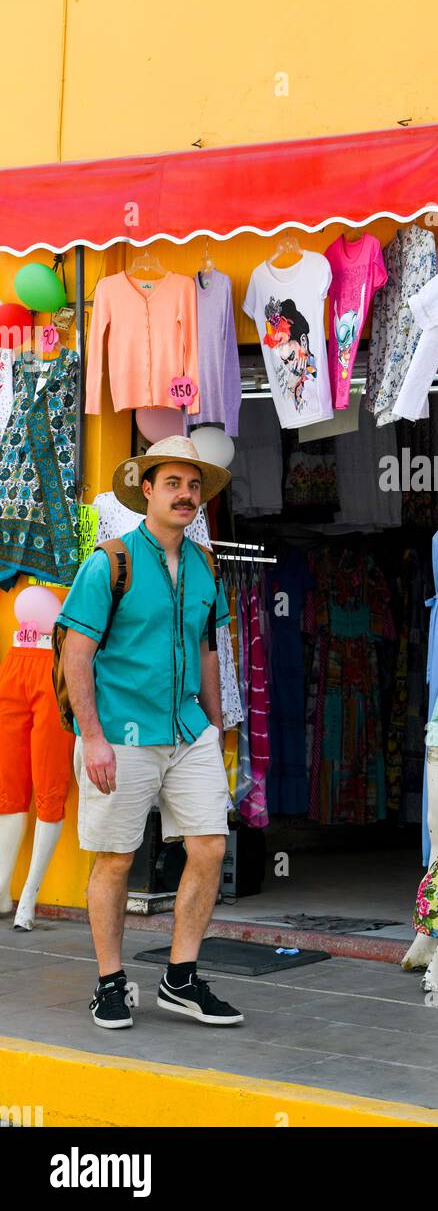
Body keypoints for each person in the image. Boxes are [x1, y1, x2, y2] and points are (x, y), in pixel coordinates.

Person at [57, 436, 243, 1030]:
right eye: (173, 485)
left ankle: (180, 978)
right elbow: (76, 657)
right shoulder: (110, 561)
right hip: (121, 731)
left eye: (194, 487)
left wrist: (217, 728)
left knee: (209, 845)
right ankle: (110, 982)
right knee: (115, 858)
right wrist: (93, 737)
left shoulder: (204, 563)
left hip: (188, 730)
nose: (186, 496)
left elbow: (209, 652)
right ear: (147, 490)